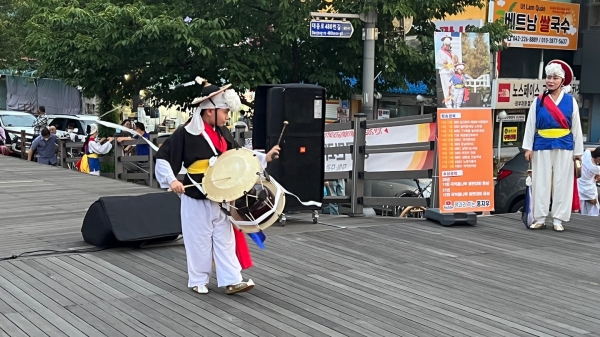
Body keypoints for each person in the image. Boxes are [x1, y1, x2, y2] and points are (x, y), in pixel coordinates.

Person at [155, 79, 280, 295]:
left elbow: (239, 156)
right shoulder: (186, 133)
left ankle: (232, 279)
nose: (226, 116)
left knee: (225, 238)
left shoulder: (223, 133)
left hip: (221, 195)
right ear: (210, 111)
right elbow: (163, 158)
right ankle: (198, 280)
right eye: (224, 111)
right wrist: (172, 180)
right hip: (196, 195)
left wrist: (264, 157)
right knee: (199, 240)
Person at [523, 60, 584, 231]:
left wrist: (578, 152)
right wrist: (528, 147)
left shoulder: (570, 101)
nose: (550, 81)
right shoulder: (539, 101)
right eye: (549, 77)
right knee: (540, 181)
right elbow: (531, 124)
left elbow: (576, 127)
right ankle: (540, 218)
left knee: (561, 182)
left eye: (555, 78)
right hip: (541, 143)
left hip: (564, 144)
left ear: (562, 80)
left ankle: (558, 219)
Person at [577, 147, 600, 216]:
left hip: (579, 184)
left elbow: (588, 149)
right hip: (588, 188)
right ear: (598, 158)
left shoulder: (587, 156)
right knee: (594, 202)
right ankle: (593, 216)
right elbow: (598, 177)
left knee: (582, 203)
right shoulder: (596, 168)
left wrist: (597, 149)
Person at [436, 35, 454, 107]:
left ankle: (453, 102)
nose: (448, 46)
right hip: (444, 71)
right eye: (447, 45)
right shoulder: (440, 51)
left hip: (451, 71)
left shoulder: (451, 52)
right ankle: (448, 103)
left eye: (449, 45)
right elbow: (438, 62)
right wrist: (443, 62)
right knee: (446, 88)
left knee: (452, 87)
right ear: (444, 44)